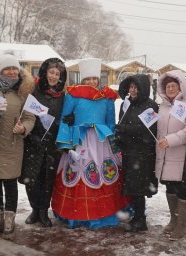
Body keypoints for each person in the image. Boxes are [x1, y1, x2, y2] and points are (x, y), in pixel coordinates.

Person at [51, 58, 131, 229]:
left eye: (94, 78)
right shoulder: (73, 95)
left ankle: (104, 212)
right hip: (80, 140)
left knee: (105, 173)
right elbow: (65, 120)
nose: (92, 82)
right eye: (88, 79)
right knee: (77, 171)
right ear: (83, 79)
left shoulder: (107, 97)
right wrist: (66, 144)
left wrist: (114, 145)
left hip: (101, 142)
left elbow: (111, 122)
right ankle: (78, 214)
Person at [0, 54, 35, 238]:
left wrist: (23, 128)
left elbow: (30, 118)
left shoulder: (23, 93)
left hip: (13, 145)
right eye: (7, 68)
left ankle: (9, 220)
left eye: (15, 68)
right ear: (0, 70)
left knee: (10, 184)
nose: (12, 72)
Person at [19, 58, 67, 227]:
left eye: (57, 74)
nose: (53, 76)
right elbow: (26, 115)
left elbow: (66, 116)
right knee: (31, 179)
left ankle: (43, 211)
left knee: (48, 179)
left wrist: (64, 121)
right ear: (45, 72)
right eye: (51, 72)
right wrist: (33, 135)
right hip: (33, 141)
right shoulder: (34, 91)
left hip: (52, 144)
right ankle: (34, 209)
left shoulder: (63, 96)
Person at [154, 70, 186, 240]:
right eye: (168, 86)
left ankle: (182, 226)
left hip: (181, 155)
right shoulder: (163, 106)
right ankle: (174, 220)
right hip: (165, 155)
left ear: (181, 86)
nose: (171, 89)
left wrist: (170, 139)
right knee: (169, 187)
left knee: (181, 189)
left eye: (174, 85)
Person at [115, 74, 159, 232]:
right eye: (131, 87)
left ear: (143, 88)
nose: (133, 90)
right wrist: (119, 136)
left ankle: (141, 219)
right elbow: (121, 123)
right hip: (128, 152)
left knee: (139, 187)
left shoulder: (151, 106)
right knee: (132, 186)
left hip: (143, 154)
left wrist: (124, 130)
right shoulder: (126, 105)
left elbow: (147, 130)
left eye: (136, 87)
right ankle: (137, 217)